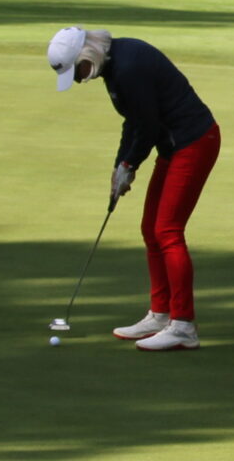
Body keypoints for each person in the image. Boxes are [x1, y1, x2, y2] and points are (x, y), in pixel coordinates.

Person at [47, 25, 221, 352]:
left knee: (168, 230)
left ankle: (183, 326)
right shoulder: (114, 66)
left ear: (87, 56)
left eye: (78, 71)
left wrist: (130, 165)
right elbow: (133, 122)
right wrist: (120, 165)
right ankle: (161, 313)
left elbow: (148, 125)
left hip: (194, 142)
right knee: (150, 228)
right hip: (174, 146)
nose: (80, 78)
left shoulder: (127, 67)